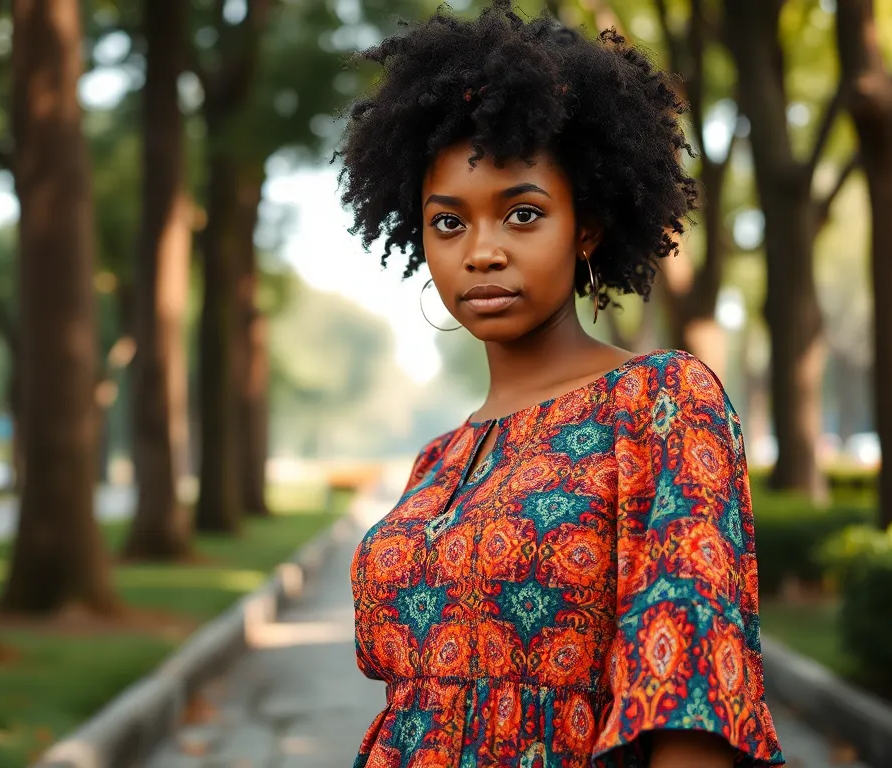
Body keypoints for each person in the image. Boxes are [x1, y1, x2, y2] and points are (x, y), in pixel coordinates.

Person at [336, 1, 785, 766]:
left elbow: (694, 687)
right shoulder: (438, 461)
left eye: (522, 214)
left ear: (585, 227)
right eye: (449, 222)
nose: (481, 251)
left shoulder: (660, 403)